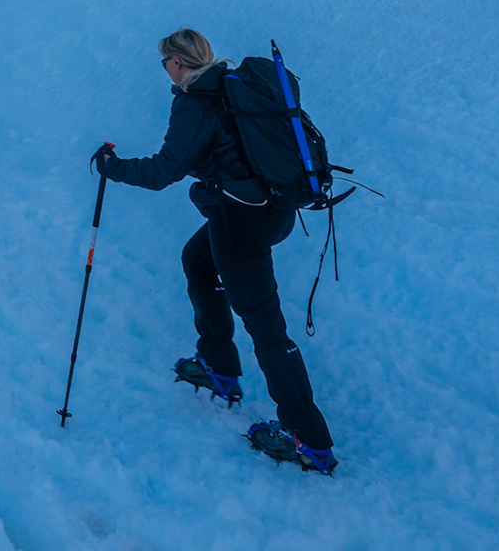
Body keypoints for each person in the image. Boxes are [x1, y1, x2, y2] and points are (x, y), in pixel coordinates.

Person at [93, 29, 338, 475]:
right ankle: (218, 364)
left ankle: (310, 439)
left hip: (240, 223)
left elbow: (164, 171)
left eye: (165, 62)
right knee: (198, 260)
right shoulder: (232, 85)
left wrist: (113, 168)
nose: (165, 70)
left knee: (267, 329)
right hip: (271, 210)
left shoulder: (197, 101)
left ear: (177, 62)